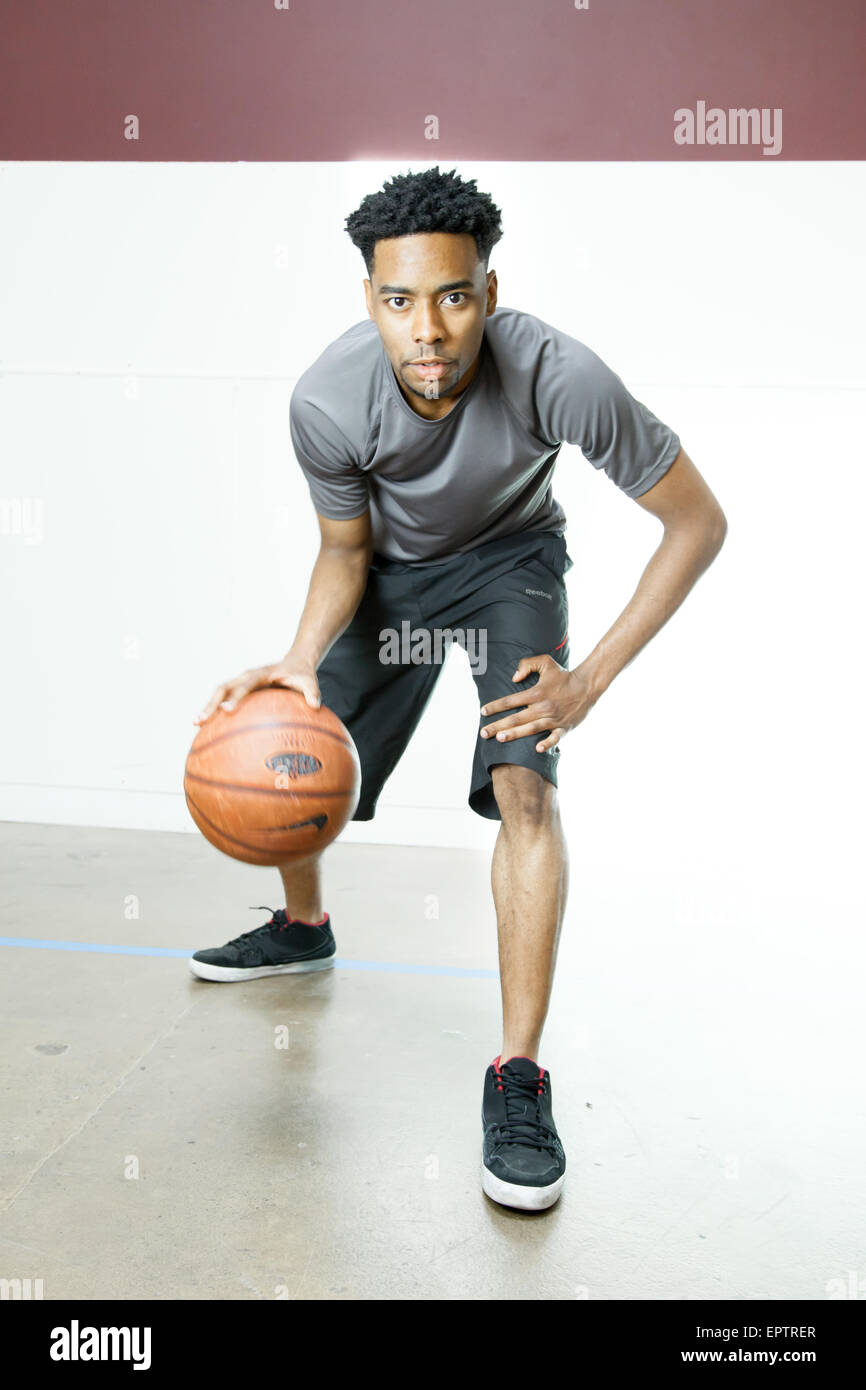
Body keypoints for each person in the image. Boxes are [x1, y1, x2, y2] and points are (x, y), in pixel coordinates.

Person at [189, 166, 727, 1212]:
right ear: (368, 301)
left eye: (451, 296)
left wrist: (585, 682)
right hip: (391, 576)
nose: (426, 331)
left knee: (525, 785)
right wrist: (300, 658)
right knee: (295, 742)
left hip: (509, 565)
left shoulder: (555, 372)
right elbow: (343, 548)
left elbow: (697, 523)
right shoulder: (325, 399)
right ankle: (304, 930)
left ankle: (516, 1078)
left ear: (487, 289)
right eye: (398, 301)